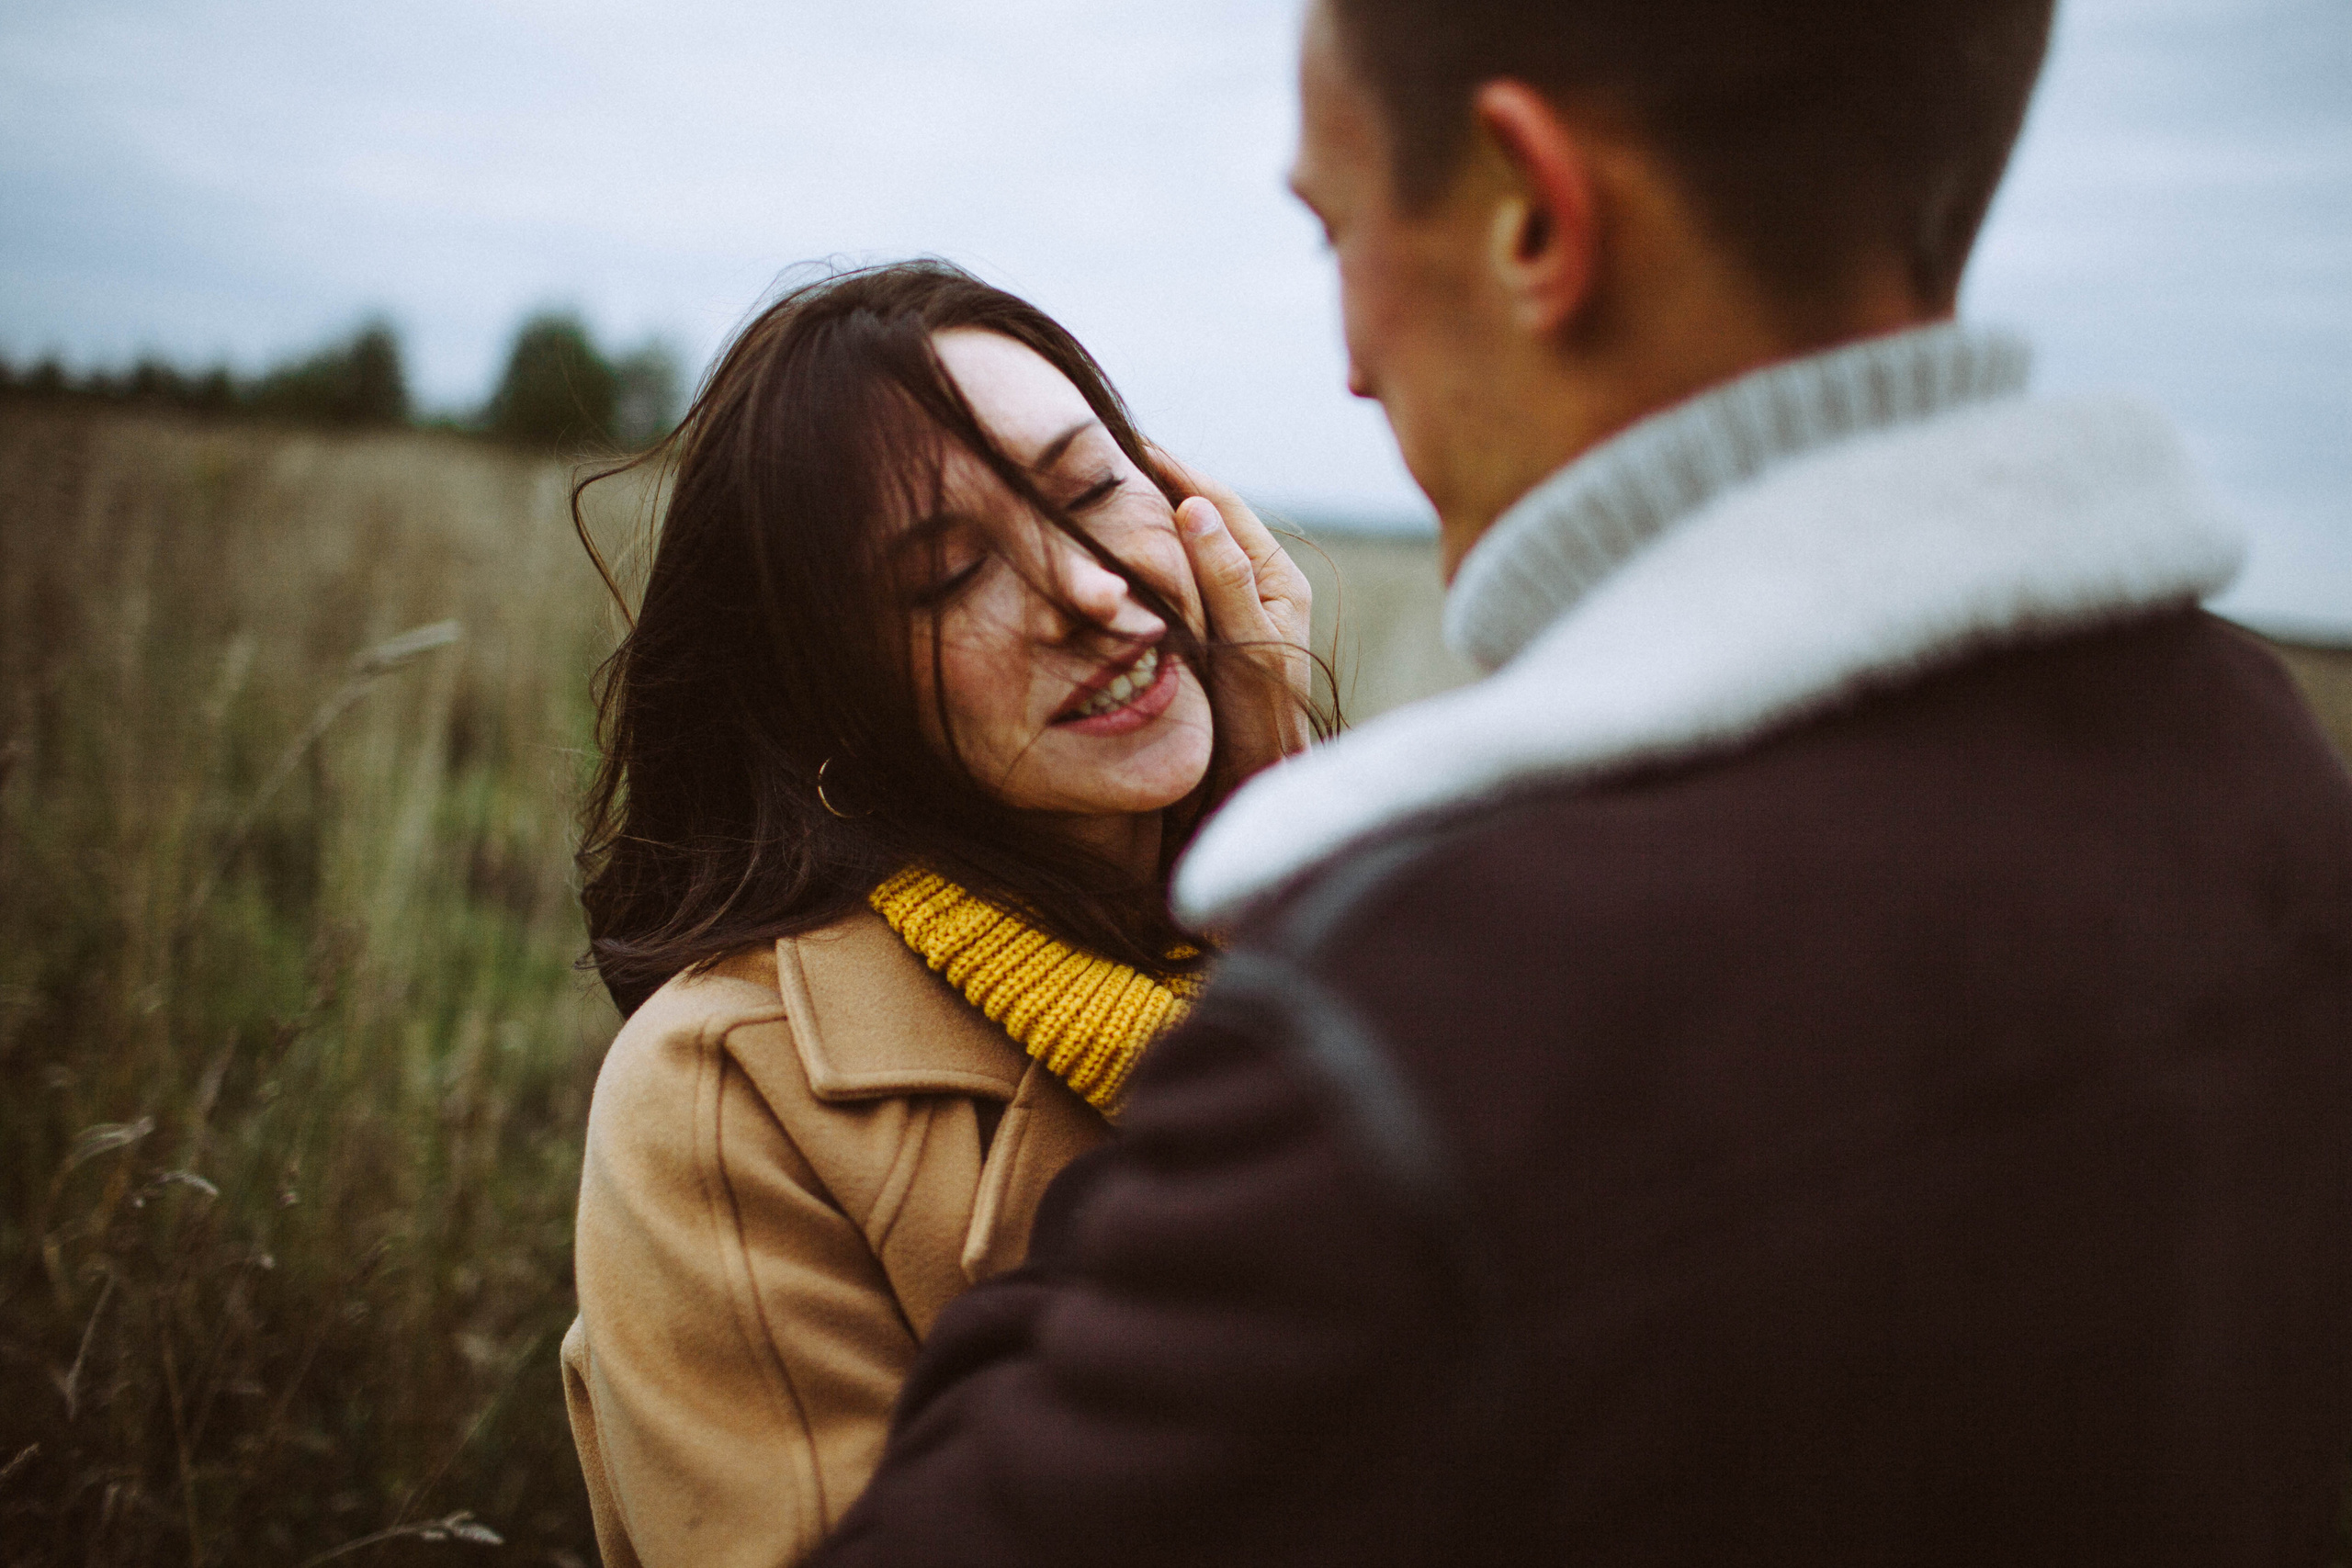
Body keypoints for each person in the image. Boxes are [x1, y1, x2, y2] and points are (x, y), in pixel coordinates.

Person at [806, 2, 2352, 1563]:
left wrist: (1285, 929)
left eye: (1338, 227)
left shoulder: (1426, 1017)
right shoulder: (2266, 771)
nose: (1346, 366)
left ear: (1537, 217)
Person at [556, 261, 1317, 1568]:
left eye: (1090, 489)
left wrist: (1302, 874)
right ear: (828, 693)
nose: (1089, 591)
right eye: (949, 579)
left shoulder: (1358, 917)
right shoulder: (725, 1093)